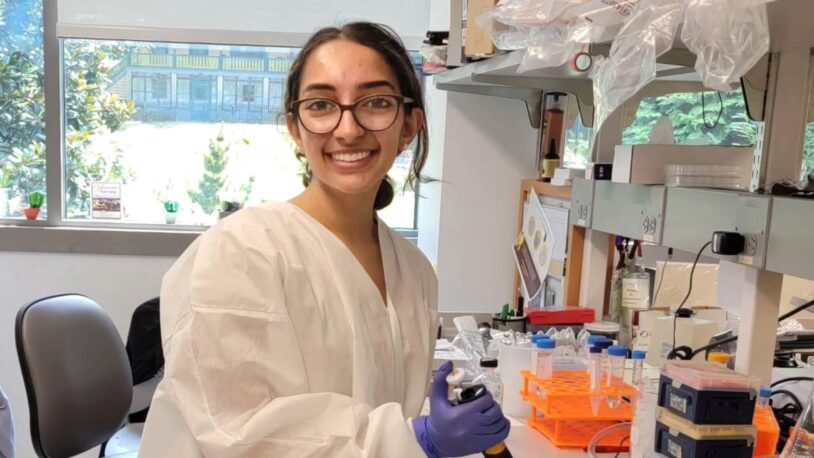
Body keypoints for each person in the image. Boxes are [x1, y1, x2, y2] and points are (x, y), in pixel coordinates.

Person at [139, 22, 509, 457]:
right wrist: (415, 438)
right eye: (321, 104)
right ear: (296, 128)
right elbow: (239, 431)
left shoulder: (413, 270)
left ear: (409, 126)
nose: (348, 130)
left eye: (375, 103)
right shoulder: (239, 252)